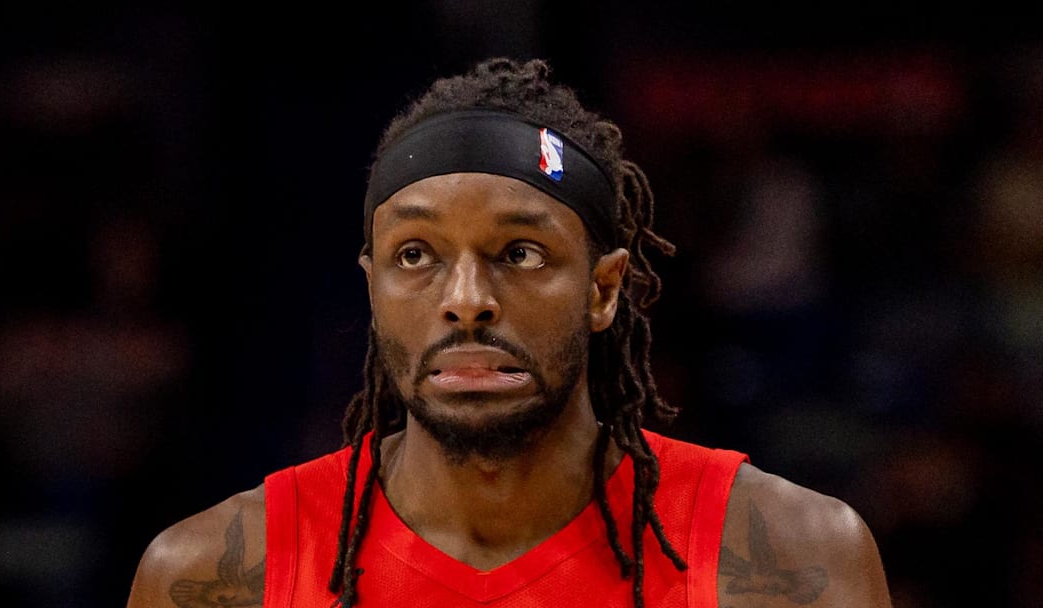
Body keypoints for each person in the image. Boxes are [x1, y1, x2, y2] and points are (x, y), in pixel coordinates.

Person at [126, 57, 892, 608]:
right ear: (373, 288)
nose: (466, 301)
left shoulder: (793, 562)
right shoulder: (217, 576)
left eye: (520, 253)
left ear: (603, 289)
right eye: (416, 254)